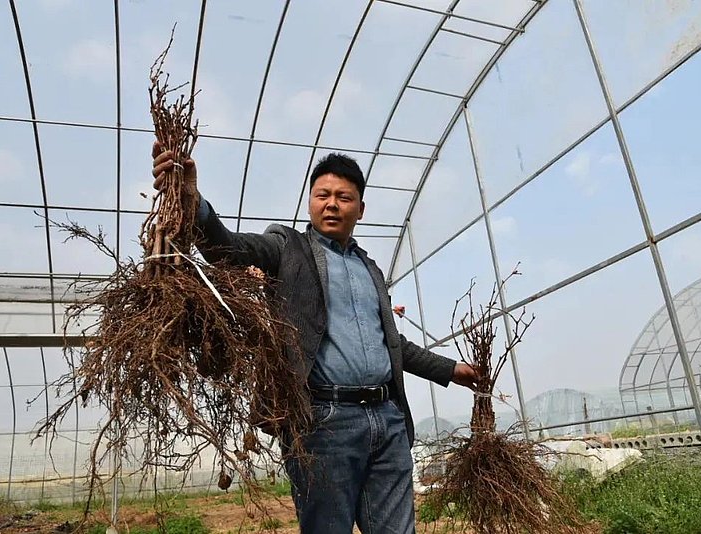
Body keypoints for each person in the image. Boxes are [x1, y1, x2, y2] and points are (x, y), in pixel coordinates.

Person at [151, 144, 477, 534]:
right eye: (323, 195)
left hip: (387, 420)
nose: (332, 204)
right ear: (310, 202)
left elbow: (392, 344)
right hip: (323, 423)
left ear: (360, 208)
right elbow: (228, 248)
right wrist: (193, 202)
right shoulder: (287, 248)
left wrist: (450, 369)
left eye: (344, 197)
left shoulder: (370, 269)